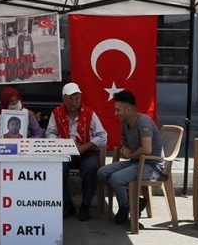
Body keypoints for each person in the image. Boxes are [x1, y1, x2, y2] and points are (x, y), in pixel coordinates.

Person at [97, 90, 164, 225]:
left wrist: (130, 154)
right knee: (102, 173)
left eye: (118, 110)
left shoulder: (143, 122)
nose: (115, 113)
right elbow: (123, 139)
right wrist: (124, 147)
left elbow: (147, 149)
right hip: (136, 162)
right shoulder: (126, 122)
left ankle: (124, 207)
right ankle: (133, 202)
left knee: (116, 178)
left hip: (151, 166)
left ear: (128, 109)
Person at [46, 82, 107, 222]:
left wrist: (85, 146)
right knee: (57, 169)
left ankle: (85, 206)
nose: (74, 102)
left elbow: (102, 136)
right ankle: (67, 204)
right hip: (65, 152)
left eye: (77, 98)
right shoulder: (56, 113)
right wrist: (60, 143)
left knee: (91, 169)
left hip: (87, 152)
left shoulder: (90, 114)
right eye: (70, 99)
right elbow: (50, 132)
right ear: (64, 99)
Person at [0, 87, 44, 214]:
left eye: (16, 100)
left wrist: (27, 141)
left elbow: (38, 133)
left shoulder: (28, 113)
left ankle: (23, 201)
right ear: (5, 102)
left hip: (22, 150)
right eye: (11, 101)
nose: (15, 103)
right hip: (1, 150)